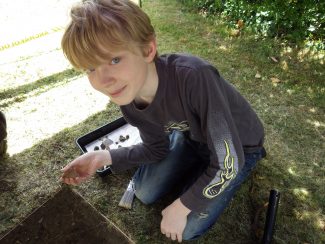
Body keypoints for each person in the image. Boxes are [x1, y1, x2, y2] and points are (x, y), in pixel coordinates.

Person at [60, 0, 266, 242]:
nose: (104, 80)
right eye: (91, 68)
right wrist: (103, 157)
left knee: (186, 229)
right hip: (193, 138)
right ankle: (198, 168)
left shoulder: (194, 77)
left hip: (240, 146)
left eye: (114, 60)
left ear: (148, 50)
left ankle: (202, 173)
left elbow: (228, 162)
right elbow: (156, 148)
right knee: (144, 192)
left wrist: (181, 206)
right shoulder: (129, 99)